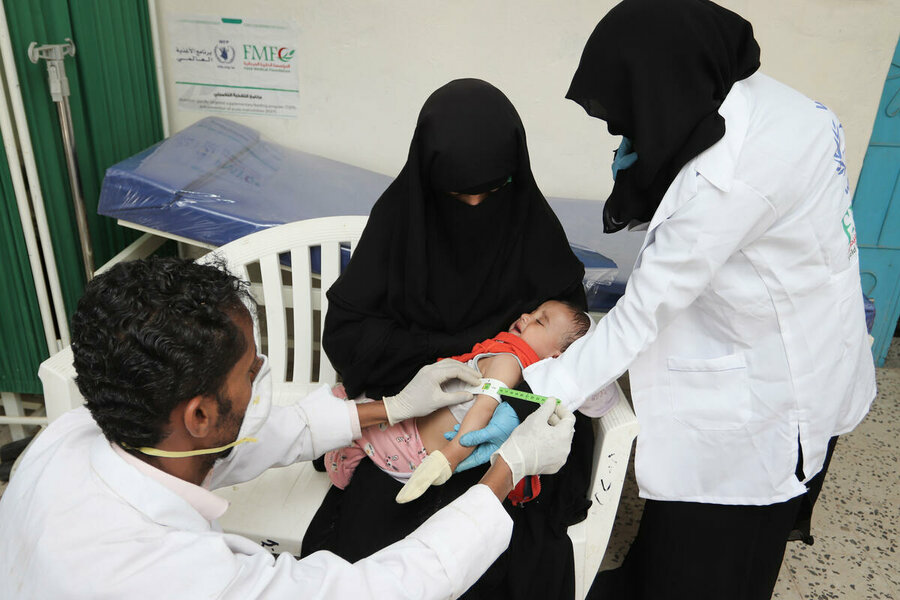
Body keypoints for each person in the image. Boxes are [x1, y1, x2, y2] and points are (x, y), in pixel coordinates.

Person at [521, 1, 877, 599]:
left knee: (718, 553)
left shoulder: (722, 184)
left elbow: (640, 314)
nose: (620, 127)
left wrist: (533, 385)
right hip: (812, 337)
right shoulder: (791, 106)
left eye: (628, 105)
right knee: (694, 542)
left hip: (764, 395)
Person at [0, 257, 578, 600]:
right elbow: (382, 590)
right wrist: (509, 468)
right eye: (251, 370)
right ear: (199, 414)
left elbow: (261, 438)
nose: (260, 378)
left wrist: (393, 407)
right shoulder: (175, 578)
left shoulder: (76, 435)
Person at [304, 78, 595, 600]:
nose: (477, 205)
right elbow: (348, 336)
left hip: (505, 433)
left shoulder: (535, 233)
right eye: (458, 195)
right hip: (410, 427)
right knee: (367, 554)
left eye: (493, 191)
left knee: (511, 558)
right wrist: (440, 361)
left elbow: (568, 355)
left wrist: (500, 383)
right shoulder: (399, 222)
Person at [324, 300, 591, 503]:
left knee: (341, 401)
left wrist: (449, 458)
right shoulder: (505, 356)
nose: (526, 316)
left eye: (540, 321)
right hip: (413, 450)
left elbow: (483, 411)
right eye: (533, 312)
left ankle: (341, 470)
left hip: (413, 451)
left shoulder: (509, 362)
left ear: (557, 356)